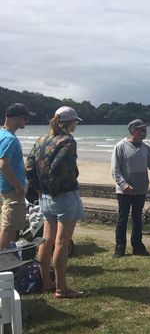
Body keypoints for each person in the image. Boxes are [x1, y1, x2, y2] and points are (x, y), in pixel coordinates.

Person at [25, 106, 85, 299]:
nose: (76, 124)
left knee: (47, 239)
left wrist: (39, 188)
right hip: (64, 195)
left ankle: (46, 283)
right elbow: (61, 169)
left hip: (45, 197)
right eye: (75, 121)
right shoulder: (67, 141)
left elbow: (29, 166)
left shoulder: (42, 139)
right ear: (68, 123)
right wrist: (62, 184)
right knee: (61, 242)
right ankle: (61, 288)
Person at [111, 119, 150, 258]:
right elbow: (115, 170)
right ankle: (120, 247)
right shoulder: (120, 146)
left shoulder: (146, 148)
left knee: (138, 219)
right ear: (133, 130)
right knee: (122, 219)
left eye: (145, 130)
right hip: (124, 191)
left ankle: (137, 246)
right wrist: (124, 184)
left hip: (140, 189)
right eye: (143, 130)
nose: (146, 132)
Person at [0, 103, 35, 249]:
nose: (26, 121)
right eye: (24, 118)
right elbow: (3, 164)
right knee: (9, 228)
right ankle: (4, 261)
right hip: (12, 190)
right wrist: (18, 187)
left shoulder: (3, 134)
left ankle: (8, 256)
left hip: (6, 188)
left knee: (8, 225)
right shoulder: (10, 139)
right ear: (15, 119)